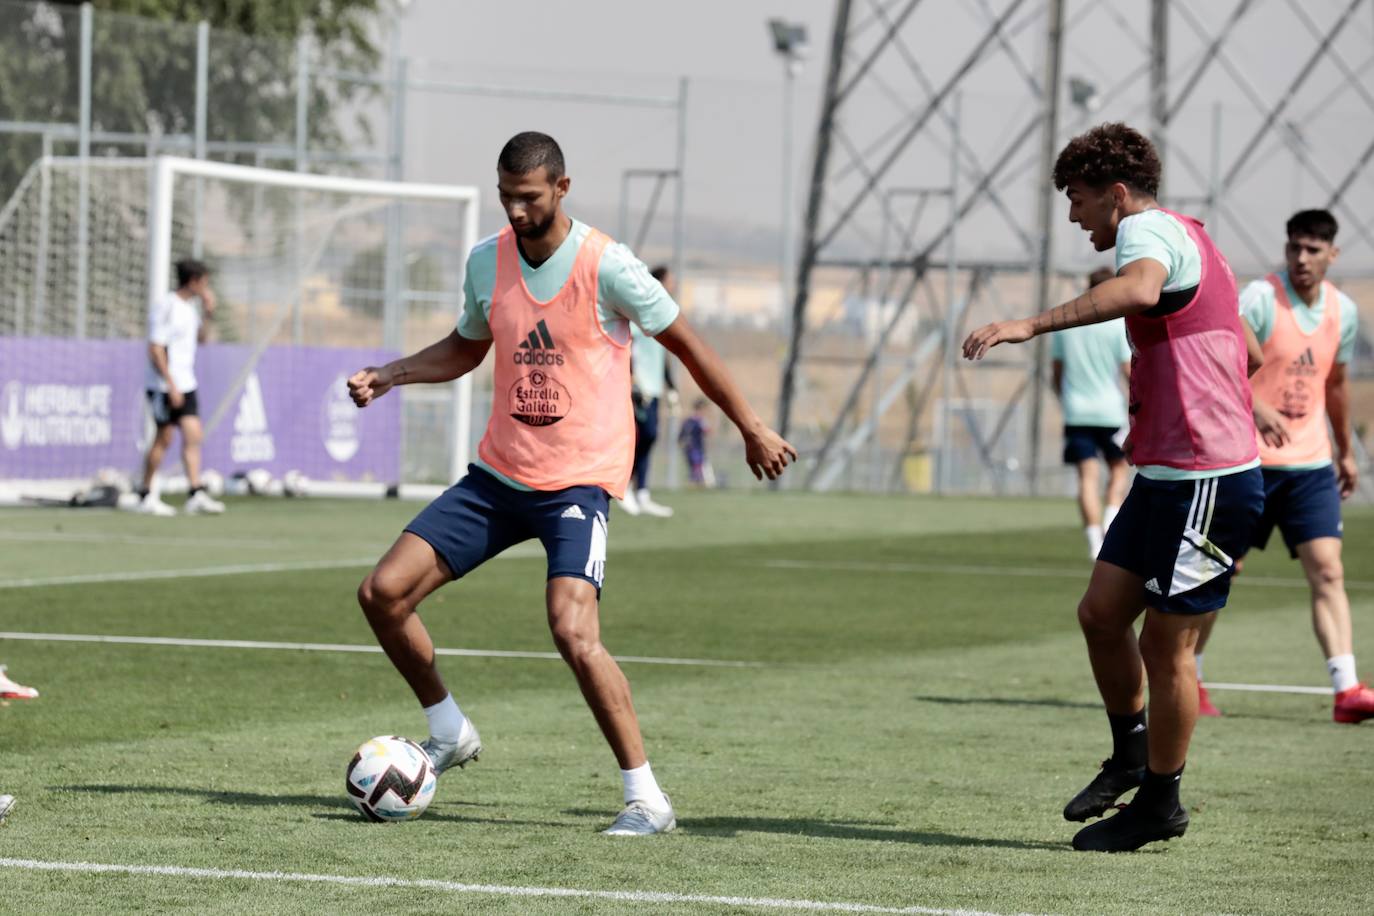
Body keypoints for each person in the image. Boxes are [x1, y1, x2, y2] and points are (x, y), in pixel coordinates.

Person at [347, 132, 795, 836]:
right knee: (382, 593)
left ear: (562, 187)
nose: (517, 211)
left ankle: (647, 797)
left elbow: (689, 344)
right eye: (506, 197)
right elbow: (468, 345)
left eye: (529, 197)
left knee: (571, 629)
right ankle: (449, 729)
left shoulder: (607, 264)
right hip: (498, 477)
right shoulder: (486, 262)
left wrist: (751, 427)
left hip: (577, 485)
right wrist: (392, 373)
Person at [963, 123, 1263, 852]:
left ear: (1116, 196)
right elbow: (1248, 351)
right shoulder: (1193, 233)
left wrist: (1030, 325)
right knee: (1101, 615)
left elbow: (1140, 289)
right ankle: (1131, 755)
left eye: (1078, 201)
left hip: (1205, 480)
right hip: (1165, 474)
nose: (1074, 217)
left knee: (1168, 651)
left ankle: (1162, 802)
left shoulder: (1146, 233)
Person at [1192, 209, 1374, 723]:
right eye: (1294, 247)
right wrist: (1254, 404)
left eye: (1313, 249)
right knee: (1218, 572)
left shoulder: (1344, 310)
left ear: (1332, 255)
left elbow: (1335, 386)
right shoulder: (1258, 299)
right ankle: (1191, 681)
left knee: (1329, 570)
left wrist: (1344, 451)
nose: (1301, 258)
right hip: (1245, 461)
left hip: (1311, 464)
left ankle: (1346, 690)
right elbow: (1216, 356)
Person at [1051, 266, 1133, 558]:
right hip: (1110, 412)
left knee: (1087, 476)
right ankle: (1111, 524)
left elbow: (1056, 373)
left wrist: (1066, 398)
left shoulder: (1067, 323)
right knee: (1119, 471)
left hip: (1077, 411)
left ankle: (1093, 539)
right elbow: (1128, 371)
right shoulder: (1117, 324)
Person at [135, 258, 226, 517]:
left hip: (186, 383)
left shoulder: (190, 309)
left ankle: (195, 493)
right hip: (163, 385)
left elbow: (202, 339)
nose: (207, 288)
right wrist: (170, 384)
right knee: (164, 437)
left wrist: (208, 313)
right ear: (194, 281)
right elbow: (155, 348)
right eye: (205, 282)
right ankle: (146, 493)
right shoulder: (166, 306)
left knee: (193, 435)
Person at [620, 265, 679, 517]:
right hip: (639, 389)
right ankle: (623, 488)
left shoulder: (662, 315)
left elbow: (663, 355)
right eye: (669, 281)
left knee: (651, 436)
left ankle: (642, 493)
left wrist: (671, 387)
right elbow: (627, 347)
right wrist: (633, 382)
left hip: (654, 389)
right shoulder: (641, 312)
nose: (673, 285)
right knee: (638, 437)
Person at [679, 398, 714, 487]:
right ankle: (695, 483)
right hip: (695, 448)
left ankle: (695, 482)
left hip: (692, 448)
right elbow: (707, 431)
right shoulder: (698, 421)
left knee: (696, 466)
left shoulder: (689, 421)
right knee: (696, 466)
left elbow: (681, 436)